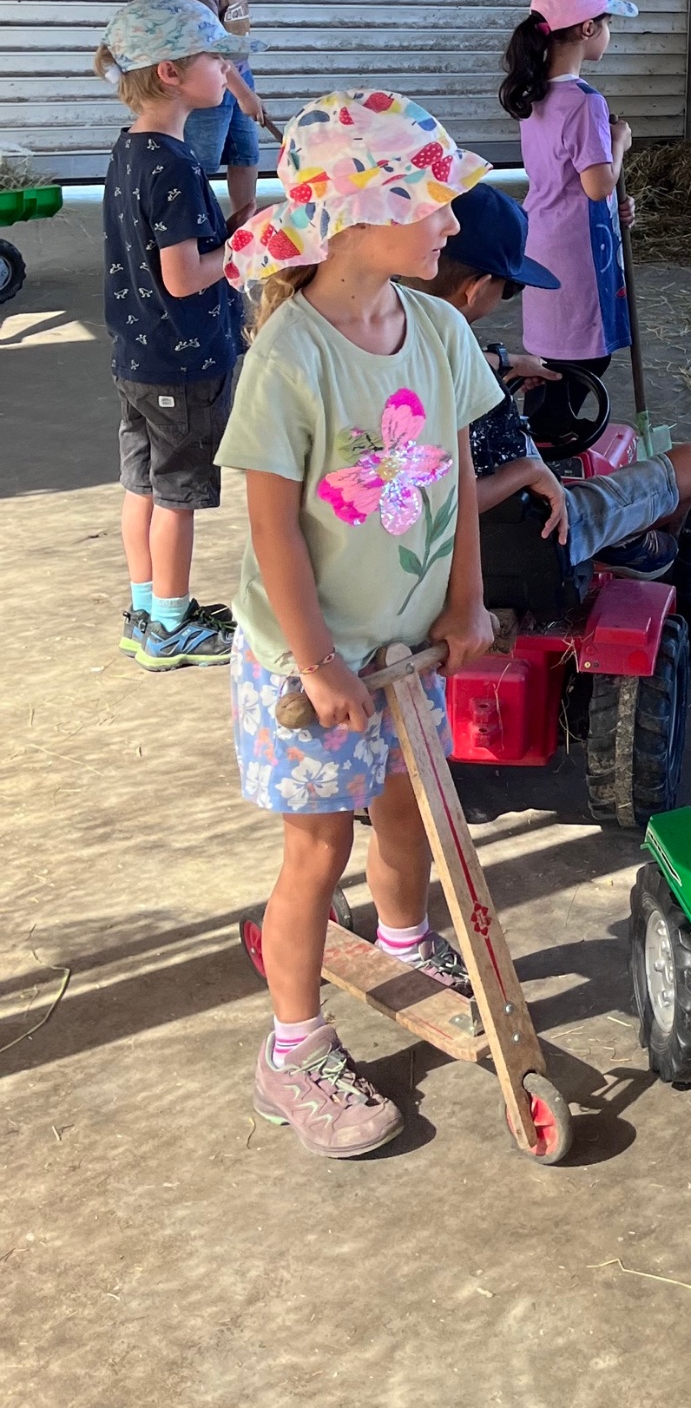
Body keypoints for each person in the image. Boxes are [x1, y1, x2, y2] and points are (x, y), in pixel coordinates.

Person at [217, 92, 502, 1159]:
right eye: (432, 203)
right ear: (355, 216)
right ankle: (292, 1049)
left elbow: (462, 469)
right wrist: (319, 660)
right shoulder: (290, 355)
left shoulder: (433, 327)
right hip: (313, 660)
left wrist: (465, 600)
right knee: (317, 847)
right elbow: (272, 534)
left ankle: (403, 944)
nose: (451, 224)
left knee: (407, 811)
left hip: (401, 649)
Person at [414, 178, 691, 577]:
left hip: (496, 522)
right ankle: (628, 545)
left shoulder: (408, 340)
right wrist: (531, 471)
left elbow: (453, 370)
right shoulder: (453, 372)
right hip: (544, 521)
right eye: (509, 288)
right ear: (478, 288)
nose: (509, 294)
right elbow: (451, 497)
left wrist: (507, 363)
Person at [94, 0, 251, 670]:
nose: (224, 69)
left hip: (137, 356)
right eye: (215, 57)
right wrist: (250, 252)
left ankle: (148, 609)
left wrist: (232, 227)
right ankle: (172, 625)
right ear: (170, 72)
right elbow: (185, 278)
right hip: (182, 361)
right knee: (178, 495)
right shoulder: (178, 164)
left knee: (142, 486)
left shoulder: (131, 150)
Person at [499, 0, 637, 375]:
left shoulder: (534, 93)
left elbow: (566, 180)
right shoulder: (584, 101)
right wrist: (620, 142)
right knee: (584, 361)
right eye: (608, 24)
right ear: (588, 28)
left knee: (548, 360)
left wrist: (615, 210)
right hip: (577, 253)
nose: (610, 33)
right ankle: (559, 439)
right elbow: (596, 185)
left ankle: (543, 436)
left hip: (542, 240)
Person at [170, 0, 278, 227]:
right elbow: (208, 45)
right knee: (200, 160)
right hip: (208, 82)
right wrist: (243, 93)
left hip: (237, 72)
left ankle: (245, 226)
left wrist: (244, 86)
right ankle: (192, 227)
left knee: (246, 153)